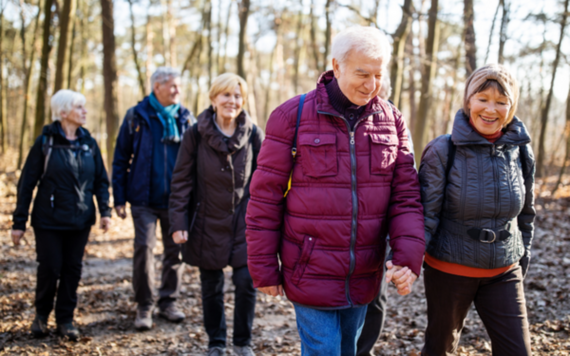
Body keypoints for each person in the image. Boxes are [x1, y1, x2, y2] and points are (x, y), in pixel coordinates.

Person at [246, 25, 425, 356]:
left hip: (365, 271)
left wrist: (407, 257)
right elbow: (265, 197)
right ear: (337, 66)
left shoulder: (392, 120)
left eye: (377, 75)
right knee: (324, 351)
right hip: (309, 268)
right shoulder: (291, 116)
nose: (371, 85)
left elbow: (406, 197)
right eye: (362, 73)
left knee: (348, 349)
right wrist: (263, 267)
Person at [419, 64, 535, 355]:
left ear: (511, 107)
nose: (491, 109)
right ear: (468, 100)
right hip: (449, 270)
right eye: (483, 98)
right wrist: (405, 260)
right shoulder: (443, 150)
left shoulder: (520, 151)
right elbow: (425, 215)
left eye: (501, 101)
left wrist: (524, 256)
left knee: (518, 351)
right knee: (439, 349)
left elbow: (526, 213)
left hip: (504, 270)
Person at [169, 73, 263, 356]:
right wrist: (178, 222)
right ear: (213, 99)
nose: (231, 101)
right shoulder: (195, 133)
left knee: (246, 282)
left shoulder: (254, 133)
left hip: (244, 222)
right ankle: (216, 343)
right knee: (211, 285)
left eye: (237, 96)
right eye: (226, 95)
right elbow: (181, 180)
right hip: (206, 221)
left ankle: (243, 343)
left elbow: (266, 180)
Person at [12, 89, 112, 341]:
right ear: (64, 112)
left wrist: (105, 211)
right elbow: (27, 184)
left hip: (80, 220)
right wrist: (19, 222)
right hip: (49, 220)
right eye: (79, 107)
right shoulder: (45, 142)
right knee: (49, 267)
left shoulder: (89, 143)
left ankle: (65, 320)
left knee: (72, 269)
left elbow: (101, 180)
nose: (85, 111)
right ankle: (41, 315)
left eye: (84, 106)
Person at [112, 67, 194, 330]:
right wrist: (119, 197)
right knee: (144, 250)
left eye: (179, 86)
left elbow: (196, 161)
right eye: (172, 86)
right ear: (156, 87)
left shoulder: (185, 118)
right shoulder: (136, 116)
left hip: (177, 201)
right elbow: (120, 159)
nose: (178, 91)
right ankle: (144, 305)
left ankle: (168, 301)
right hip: (143, 200)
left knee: (176, 252)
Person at [356, 75, 415, 356]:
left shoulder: (395, 122)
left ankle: (362, 350)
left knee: (375, 296)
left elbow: (406, 180)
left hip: (383, 226)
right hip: (350, 225)